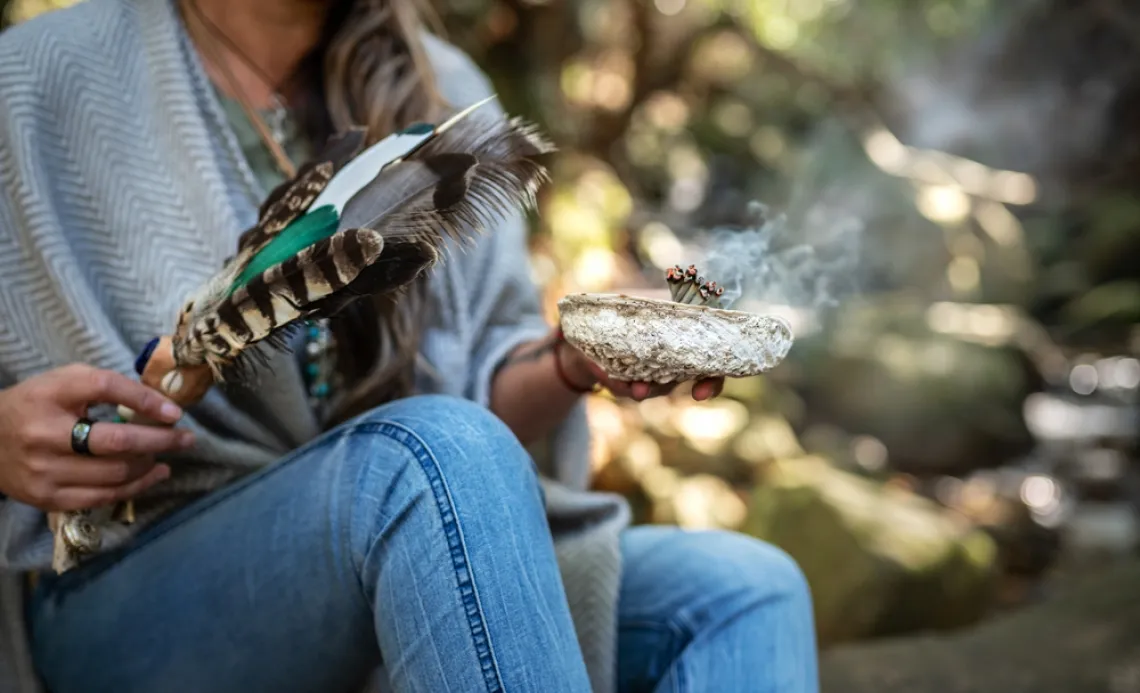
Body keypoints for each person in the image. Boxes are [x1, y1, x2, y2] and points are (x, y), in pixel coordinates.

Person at [0, 0, 819, 691]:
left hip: (410, 532)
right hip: (133, 597)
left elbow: (479, 413)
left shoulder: (447, 95)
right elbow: (442, 458)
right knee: (433, 458)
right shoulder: (36, 81)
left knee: (746, 587)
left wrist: (574, 358)